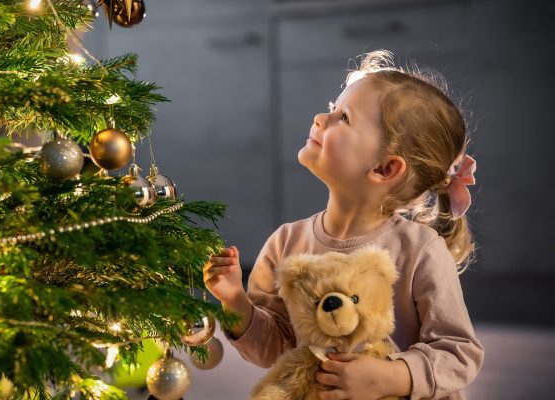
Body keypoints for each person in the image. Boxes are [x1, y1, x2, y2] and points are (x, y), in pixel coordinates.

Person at [203, 49, 484, 400]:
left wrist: (391, 377)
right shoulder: (285, 243)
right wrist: (235, 301)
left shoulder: (419, 250)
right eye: (331, 107)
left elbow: (459, 353)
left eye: (344, 118)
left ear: (384, 169)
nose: (321, 117)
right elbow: (276, 350)